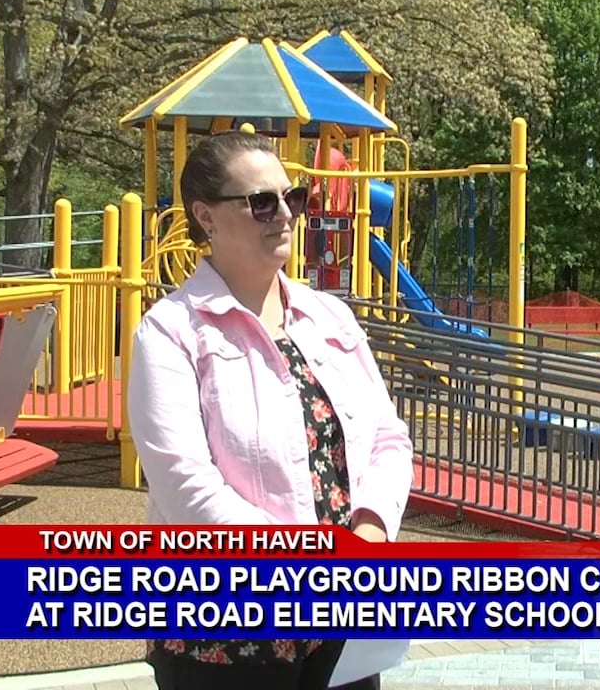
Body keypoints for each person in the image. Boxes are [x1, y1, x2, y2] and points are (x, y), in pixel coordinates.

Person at [127, 130, 415, 690]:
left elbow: (387, 437)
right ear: (206, 217)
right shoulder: (170, 332)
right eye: (261, 202)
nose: (284, 215)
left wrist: (371, 531)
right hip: (226, 637)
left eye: (293, 198)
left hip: (342, 620)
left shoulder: (328, 316)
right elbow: (186, 487)